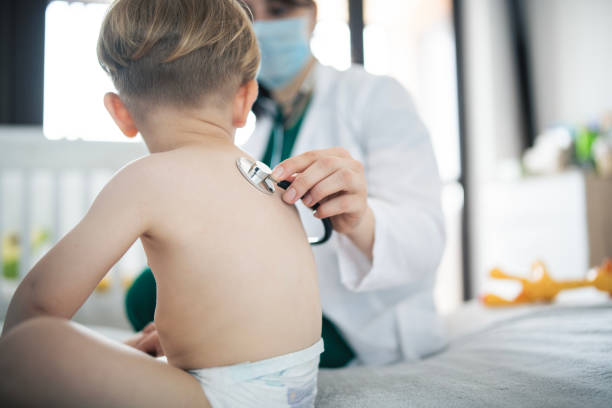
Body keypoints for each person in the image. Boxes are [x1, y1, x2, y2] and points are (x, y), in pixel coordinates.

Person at [0, 0, 324, 406]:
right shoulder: (263, 176)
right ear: (246, 99)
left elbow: (39, 301)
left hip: (224, 397)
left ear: (120, 113)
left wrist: (17, 346)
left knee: (29, 346)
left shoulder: (144, 179)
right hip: (297, 389)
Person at [125, 0, 447, 368]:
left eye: (278, 12)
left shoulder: (374, 96)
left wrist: (361, 220)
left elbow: (427, 238)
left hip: (357, 318)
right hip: (272, 292)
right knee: (147, 292)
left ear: (311, 16)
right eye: (249, 16)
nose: (261, 28)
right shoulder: (254, 124)